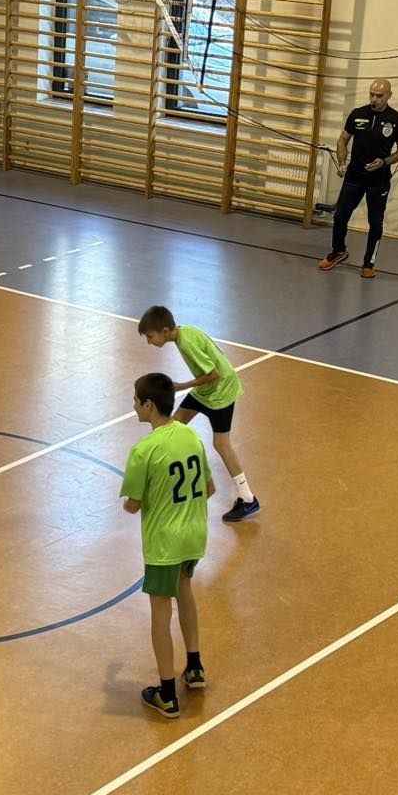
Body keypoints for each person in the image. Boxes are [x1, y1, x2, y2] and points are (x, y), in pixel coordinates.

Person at [121, 372, 213, 720]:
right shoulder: (191, 435)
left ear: (148, 405)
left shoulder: (144, 450)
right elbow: (209, 488)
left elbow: (132, 505)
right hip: (194, 534)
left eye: (136, 401)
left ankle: (167, 693)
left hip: (164, 543)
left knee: (160, 612)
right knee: (185, 589)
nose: (133, 406)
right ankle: (195, 666)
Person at [138, 305, 259, 522]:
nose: (149, 342)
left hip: (220, 392)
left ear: (164, 331)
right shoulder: (185, 333)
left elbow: (214, 373)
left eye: (150, 337)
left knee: (221, 444)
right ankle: (162, 475)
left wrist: (180, 386)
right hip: (206, 391)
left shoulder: (186, 342)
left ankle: (248, 498)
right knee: (174, 424)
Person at [320, 78, 398, 279]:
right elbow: (342, 140)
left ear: (389, 96)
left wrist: (384, 162)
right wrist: (342, 162)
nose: (374, 99)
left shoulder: (396, 119)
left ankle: (369, 263)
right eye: (372, 94)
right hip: (354, 177)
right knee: (340, 216)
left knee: (375, 223)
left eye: (379, 96)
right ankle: (338, 251)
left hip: (378, 181)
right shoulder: (358, 114)